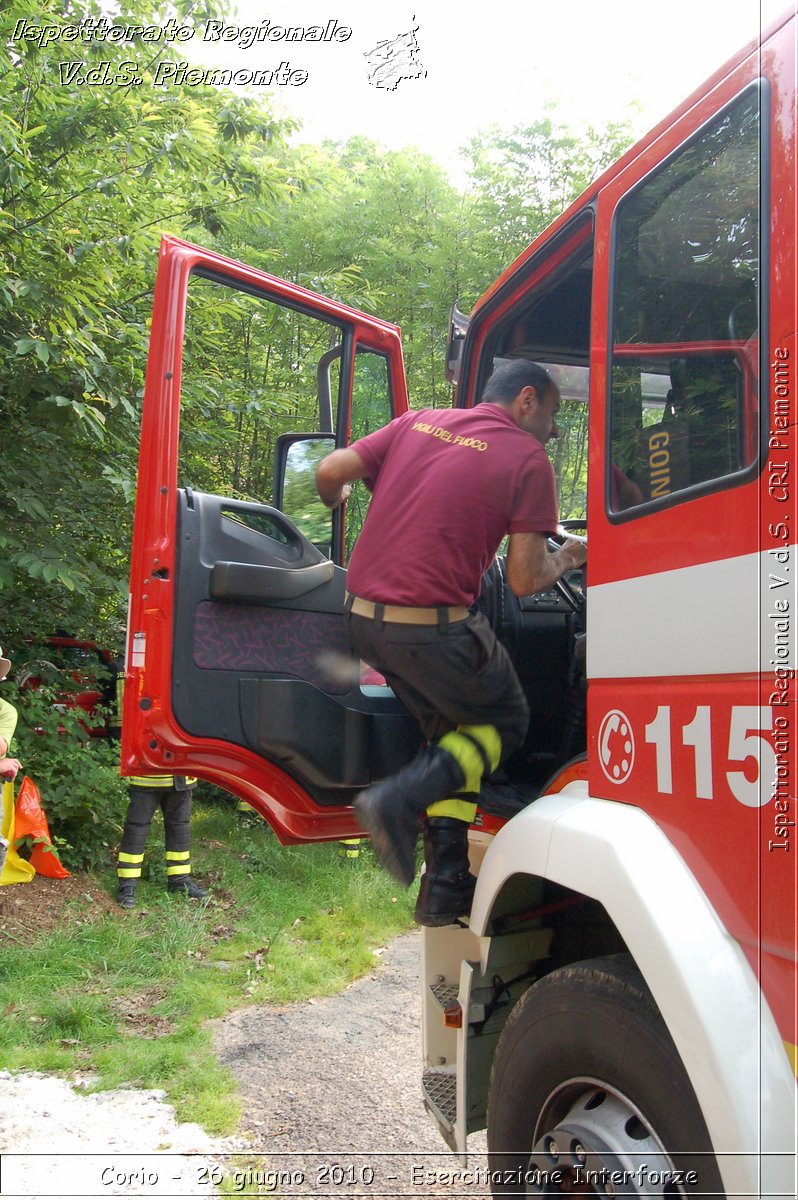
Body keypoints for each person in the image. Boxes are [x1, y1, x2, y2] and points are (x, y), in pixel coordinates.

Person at [315, 360, 588, 926]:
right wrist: (572, 556)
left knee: (452, 733)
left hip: (362, 620)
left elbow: (330, 469)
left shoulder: (419, 421)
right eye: (556, 416)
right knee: (505, 721)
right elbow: (523, 579)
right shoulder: (527, 459)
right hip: (429, 628)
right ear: (527, 400)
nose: (555, 432)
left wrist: (337, 500)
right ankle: (396, 800)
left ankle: (444, 884)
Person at [116, 773, 209, 907]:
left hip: (182, 779)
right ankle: (127, 885)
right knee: (136, 830)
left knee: (179, 829)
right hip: (147, 777)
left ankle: (179, 880)